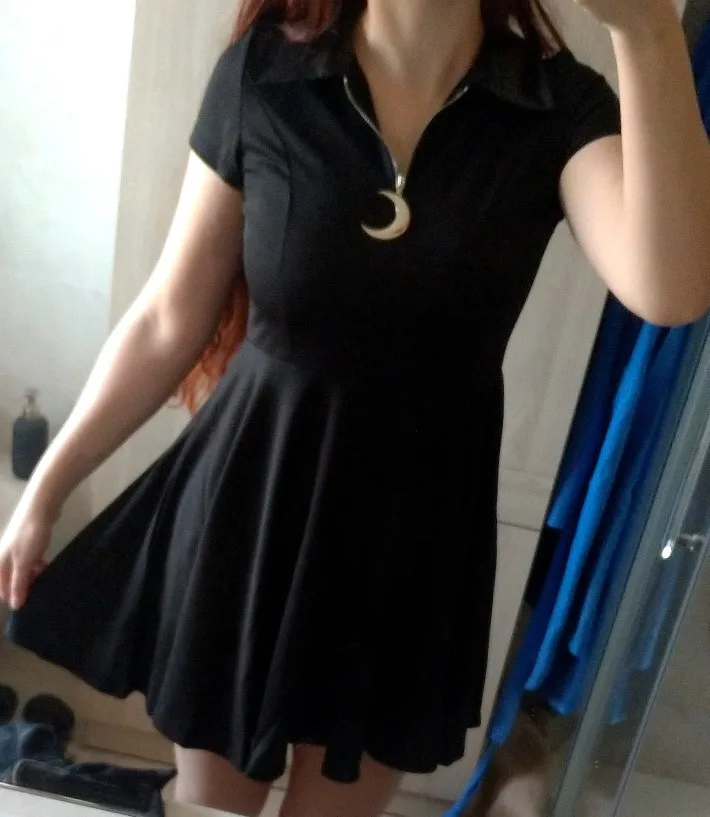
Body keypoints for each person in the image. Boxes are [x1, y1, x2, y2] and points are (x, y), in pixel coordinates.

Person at [2, 0, 710, 815]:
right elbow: (168, 317)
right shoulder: (267, 74)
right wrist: (46, 488)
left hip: (414, 551)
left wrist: (646, 31)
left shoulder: (554, 104)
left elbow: (672, 289)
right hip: (250, 519)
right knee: (213, 809)